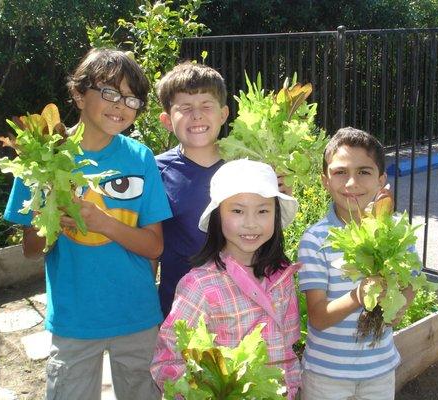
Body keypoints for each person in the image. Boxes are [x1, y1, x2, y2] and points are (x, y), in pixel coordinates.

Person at [4, 48, 172, 400]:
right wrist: (50, 206)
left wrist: (102, 222)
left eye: (131, 98)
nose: (120, 105)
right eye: (109, 92)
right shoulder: (42, 156)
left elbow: (154, 246)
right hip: (74, 319)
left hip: (136, 314)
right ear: (79, 94)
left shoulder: (140, 158)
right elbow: (32, 250)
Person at [150, 159, 302, 399]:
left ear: (275, 215)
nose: (251, 223)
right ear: (218, 216)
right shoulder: (199, 285)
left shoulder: (282, 275)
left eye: (263, 211)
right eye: (237, 211)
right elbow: (168, 360)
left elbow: (289, 349)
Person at [298, 127, 414, 400]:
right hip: (325, 375)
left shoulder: (396, 231)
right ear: (325, 181)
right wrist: (358, 295)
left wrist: (400, 305)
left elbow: (409, 283)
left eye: (363, 171)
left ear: (381, 179)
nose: (351, 183)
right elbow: (318, 317)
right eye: (340, 172)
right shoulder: (315, 239)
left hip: (379, 370)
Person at [155, 61, 230, 317]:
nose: (196, 115)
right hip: (181, 307)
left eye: (206, 105)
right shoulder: (155, 172)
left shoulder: (246, 165)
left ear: (223, 114)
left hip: (241, 303)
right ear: (166, 120)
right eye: (185, 107)